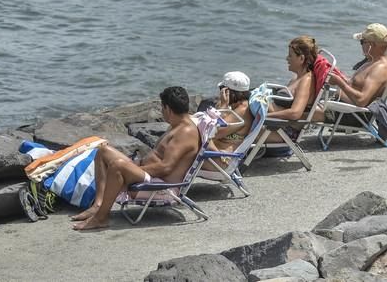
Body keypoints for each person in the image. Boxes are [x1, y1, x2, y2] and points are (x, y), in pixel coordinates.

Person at [70, 86, 200, 231]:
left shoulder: (185, 132)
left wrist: (134, 169)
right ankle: (98, 206)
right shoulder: (177, 125)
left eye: (162, 108)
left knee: (118, 165)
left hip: (162, 186)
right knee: (103, 151)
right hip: (149, 174)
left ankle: (101, 218)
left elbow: (166, 167)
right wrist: (134, 166)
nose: (161, 112)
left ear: (168, 109)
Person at [314, 23, 387, 125]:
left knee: (303, 110)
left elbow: (361, 101)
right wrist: (341, 77)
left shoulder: (380, 69)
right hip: (345, 107)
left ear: (371, 45)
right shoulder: (374, 62)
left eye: (362, 42)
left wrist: (339, 82)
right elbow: (358, 85)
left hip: (352, 115)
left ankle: (290, 135)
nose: (361, 45)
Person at [265, 36, 320, 142]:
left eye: (290, 55)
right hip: (277, 126)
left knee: (240, 131)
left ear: (301, 58)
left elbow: (295, 113)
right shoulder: (297, 77)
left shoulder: (306, 80)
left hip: (285, 132)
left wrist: (266, 116)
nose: (287, 58)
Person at [201, 71, 253, 171]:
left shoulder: (242, 111)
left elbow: (211, 133)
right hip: (216, 155)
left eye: (222, 90)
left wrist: (223, 107)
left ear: (229, 92)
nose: (220, 93)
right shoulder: (238, 107)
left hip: (220, 161)